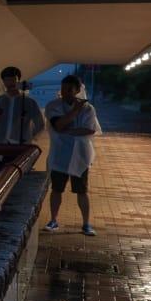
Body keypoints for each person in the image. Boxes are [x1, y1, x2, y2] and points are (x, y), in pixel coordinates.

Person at [43, 74, 100, 236]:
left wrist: (67, 130)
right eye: (63, 89)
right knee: (56, 189)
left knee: (82, 190)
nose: (65, 92)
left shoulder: (89, 108)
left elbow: (90, 130)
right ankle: (53, 220)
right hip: (60, 153)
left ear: (77, 90)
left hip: (81, 156)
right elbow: (58, 125)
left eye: (69, 89)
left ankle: (86, 223)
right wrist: (75, 112)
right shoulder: (53, 105)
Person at [0, 67, 43, 163]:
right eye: (7, 80)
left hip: (20, 148)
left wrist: (29, 138)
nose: (10, 83)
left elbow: (40, 124)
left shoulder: (29, 102)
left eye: (13, 79)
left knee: (18, 173)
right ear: (3, 82)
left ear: (18, 81)